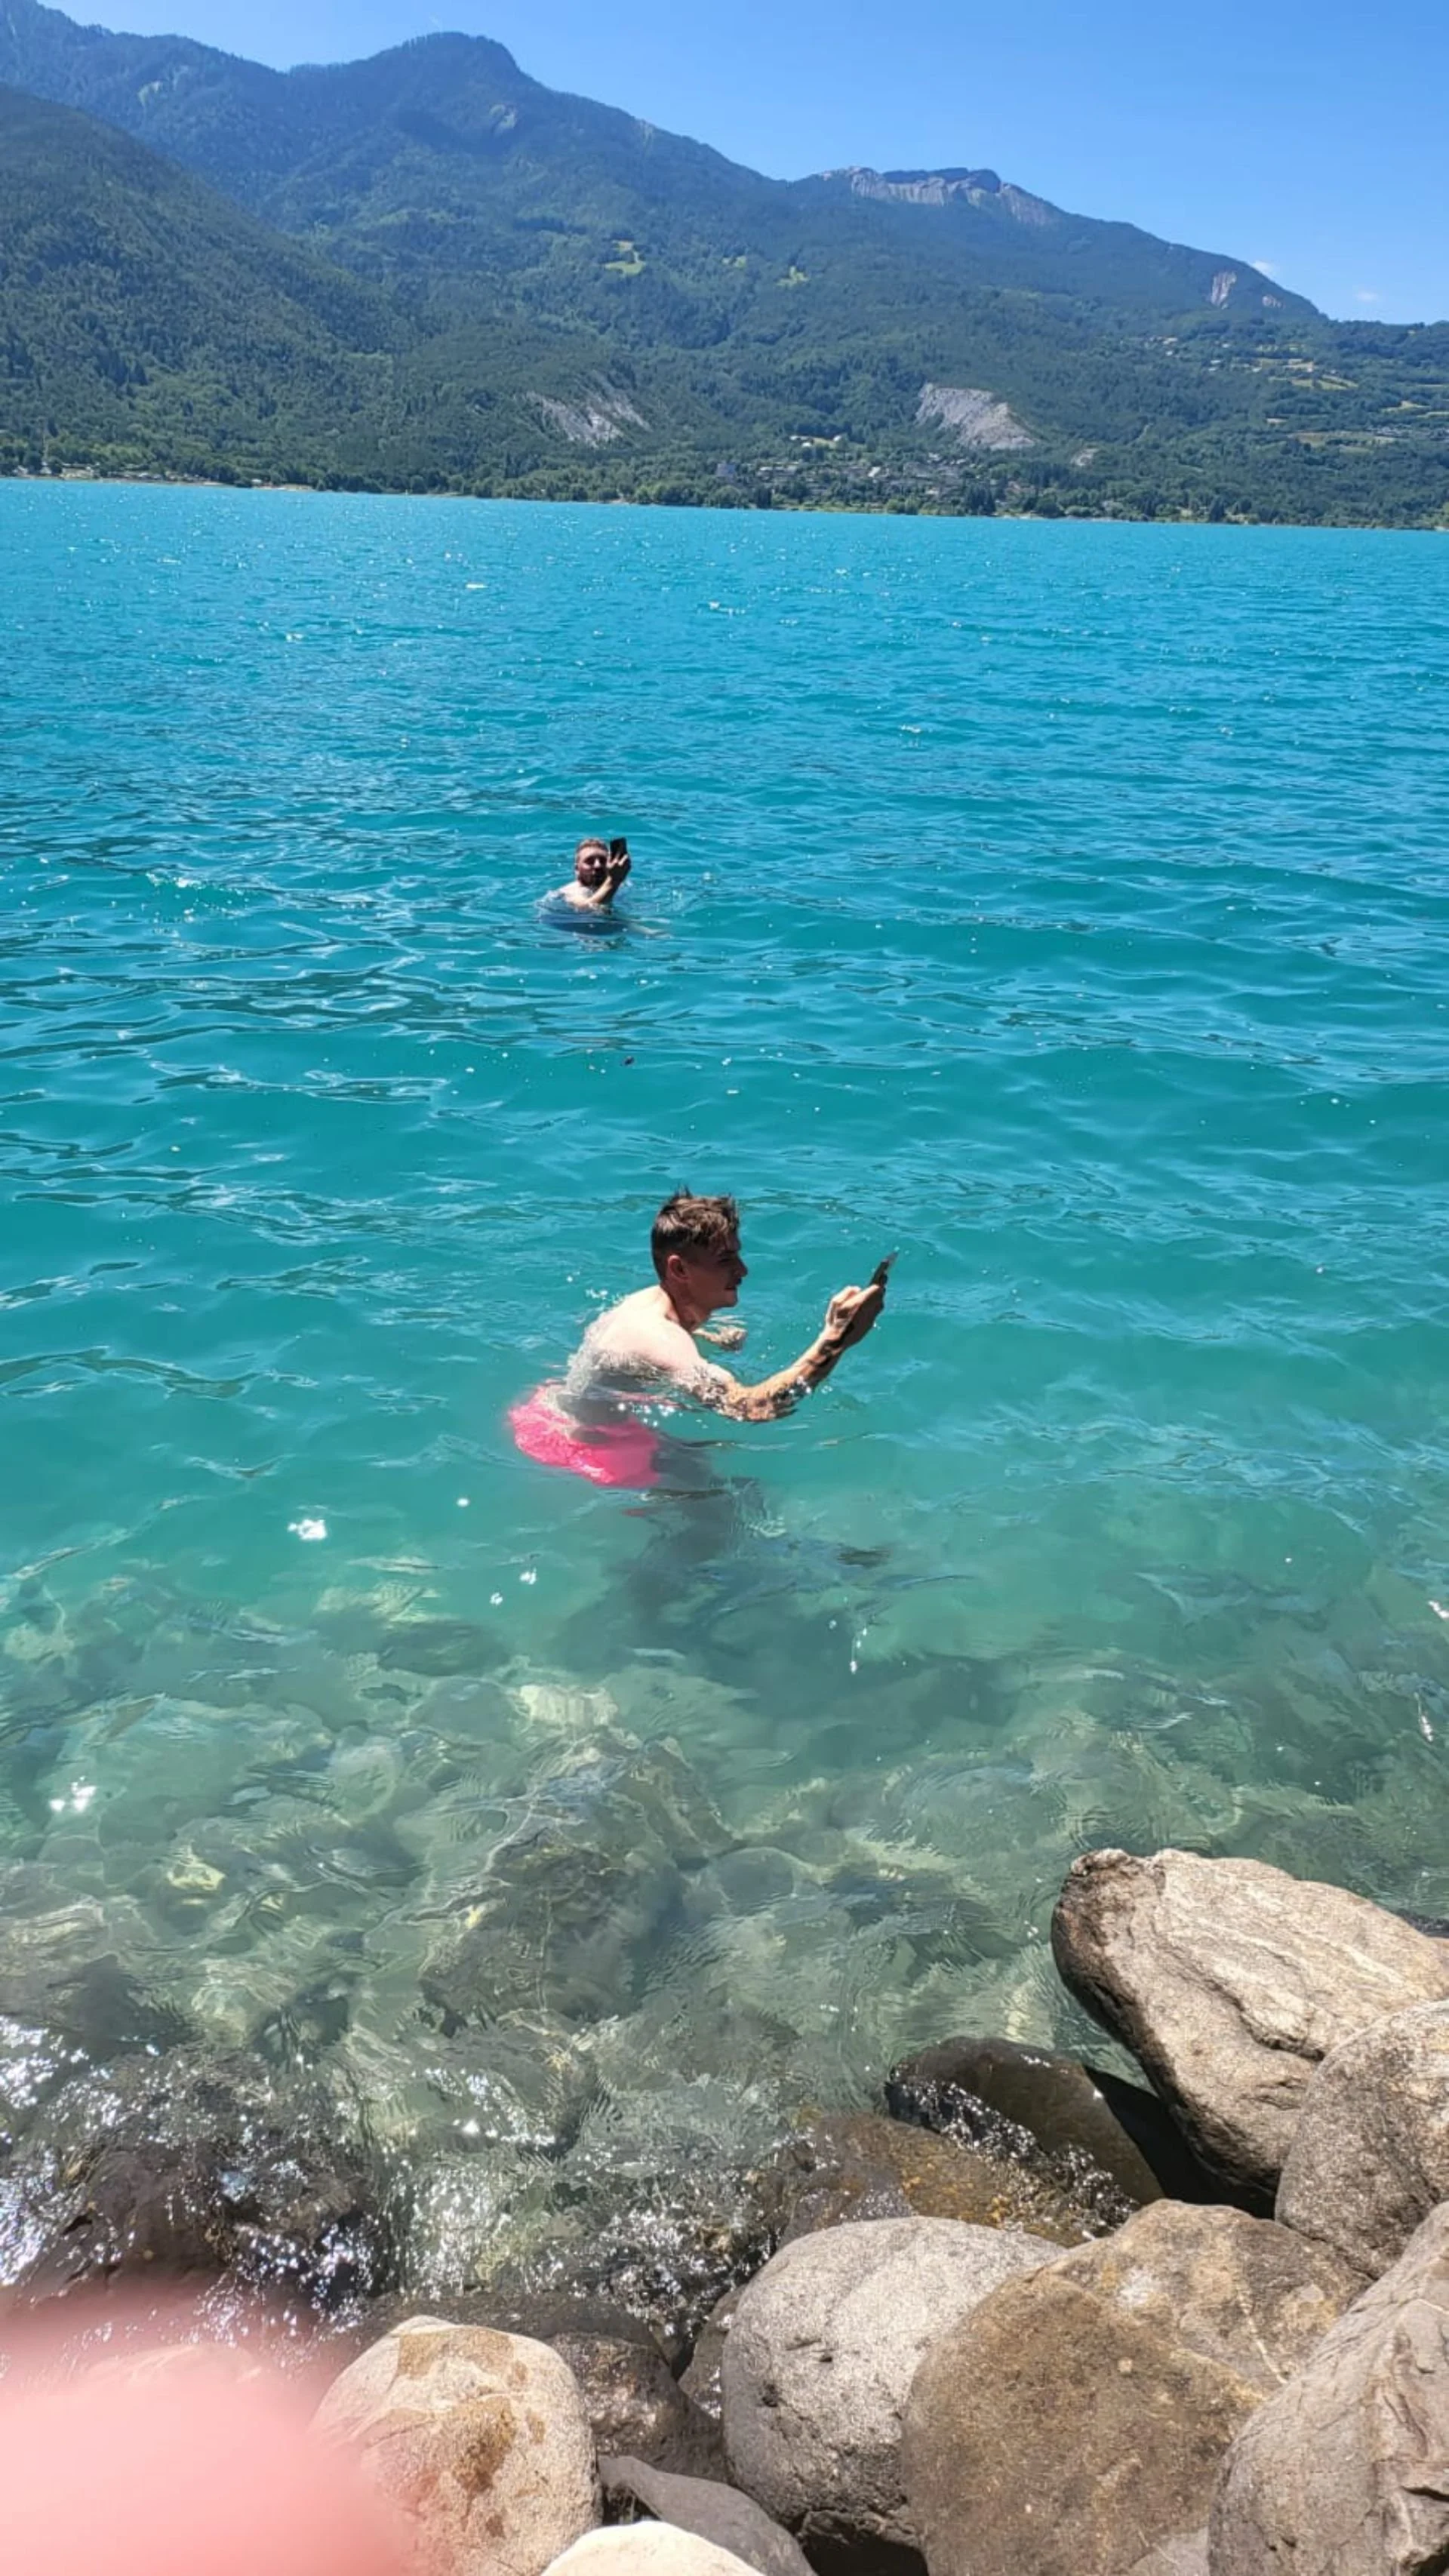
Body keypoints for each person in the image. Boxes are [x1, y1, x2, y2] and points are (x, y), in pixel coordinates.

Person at [509, 1193, 887, 1484]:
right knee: (730, 1500)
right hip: (592, 1446)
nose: (743, 1270)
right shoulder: (658, 1338)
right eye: (725, 1261)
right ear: (679, 1270)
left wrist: (707, 1334)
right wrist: (836, 1339)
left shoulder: (651, 1302)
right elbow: (749, 1408)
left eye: (737, 1255)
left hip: (552, 1412)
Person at [552, 834, 632, 912]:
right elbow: (586, 909)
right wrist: (614, 880)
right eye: (590, 861)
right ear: (577, 869)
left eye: (603, 860)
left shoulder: (621, 886)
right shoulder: (570, 892)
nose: (598, 865)